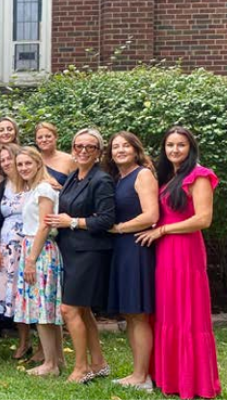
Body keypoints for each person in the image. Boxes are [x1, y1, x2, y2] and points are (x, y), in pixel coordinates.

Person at [136, 126, 221, 399]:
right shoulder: (167, 177)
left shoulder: (199, 176)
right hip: (164, 254)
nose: (174, 150)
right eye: (170, 145)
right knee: (166, 312)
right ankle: (167, 376)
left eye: (180, 145)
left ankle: (192, 381)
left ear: (190, 147)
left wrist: (162, 230)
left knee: (187, 314)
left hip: (185, 252)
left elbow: (203, 219)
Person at [48, 128, 115, 384]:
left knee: (69, 309)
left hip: (90, 252)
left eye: (90, 147)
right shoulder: (74, 176)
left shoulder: (101, 180)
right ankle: (99, 363)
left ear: (98, 152)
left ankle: (81, 368)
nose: (83, 151)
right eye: (78, 146)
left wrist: (72, 222)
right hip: (70, 250)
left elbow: (107, 219)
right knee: (83, 310)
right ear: (73, 149)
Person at [101, 131, 158, 390]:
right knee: (130, 314)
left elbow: (151, 215)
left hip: (135, 248)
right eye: (115, 147)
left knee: (138, 314)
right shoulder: (117, 178)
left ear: (136, 150)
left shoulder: (142, 175)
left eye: (126, 146)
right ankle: (138, 373)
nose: (120, 150)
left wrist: (120, 228)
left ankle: (142, 376)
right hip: (121, 249)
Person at [13, 147, 64, 377]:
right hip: (33, 248)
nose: (23, 168)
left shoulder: (44, 187)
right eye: (20, 164)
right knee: (45, 304)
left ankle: (50, 363)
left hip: (40, 249)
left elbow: (45, 224)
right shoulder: (34, 188)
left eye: (27, 163)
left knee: (43, 305)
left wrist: (32, 259)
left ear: (37, 164)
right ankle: (58, 359)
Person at [0, 143, 32, 360]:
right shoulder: (2, 186)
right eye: (2, 160)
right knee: (14, 295)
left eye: (9, 158)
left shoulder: (32, 183)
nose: (6, 163)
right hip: (7, 247)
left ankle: (41, 343)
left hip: (29, 246)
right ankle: (24, 341)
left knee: (29, 293)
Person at [35, 122, 75, 187]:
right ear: (36, 141)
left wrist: (60, 189)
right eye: (40, 137)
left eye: (48, 136)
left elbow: (78, 189)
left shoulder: (69, 160)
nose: (44, 140)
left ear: (56, 137)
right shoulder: (33, 160)